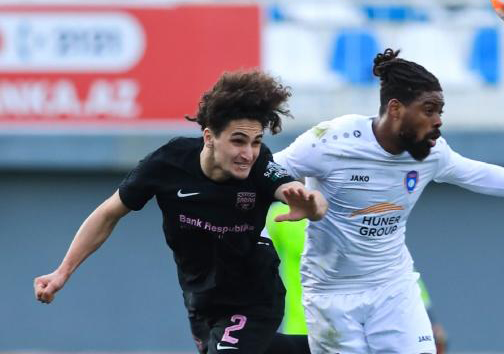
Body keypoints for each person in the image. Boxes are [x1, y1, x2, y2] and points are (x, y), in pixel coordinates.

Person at [273, 48, 504, 354]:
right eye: (429, 110)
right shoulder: (331, 140)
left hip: (393, 288)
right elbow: (269, 171)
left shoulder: (432, 153)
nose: (438, 120)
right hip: (331, 294)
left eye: (440, 111)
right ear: (396, 109)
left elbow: (478, 174)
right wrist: (288, 192)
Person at [33, 70, 328, 354]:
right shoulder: (169, 163)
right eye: (238, 141)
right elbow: (108, 213)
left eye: (256, 141)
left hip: (253, 299)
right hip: (200, 300)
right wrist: (62, 272)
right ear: (209, 136)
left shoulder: (260, 165)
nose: (248, 153)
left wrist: (313, 206)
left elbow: (292, 189)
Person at [264, 202, 448, 353]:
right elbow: (260, 263)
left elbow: (399, 269)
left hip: (359, 330)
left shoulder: (359, 210)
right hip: (306, 328)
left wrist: (430, 320)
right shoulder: (280, 214)